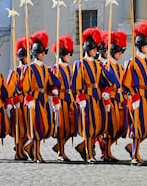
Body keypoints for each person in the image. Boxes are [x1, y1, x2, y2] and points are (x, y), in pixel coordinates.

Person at [72, 27, 116, 164]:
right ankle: (90, 153)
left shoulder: (98, 64)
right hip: (88, 97)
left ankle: (85, 148)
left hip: (97, 97)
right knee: (89, 127)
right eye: (94, 49)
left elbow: (111, 80)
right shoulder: (80, 64)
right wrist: (80, 97)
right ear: (88, 49)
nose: (96, 51)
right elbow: (76, 82)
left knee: (99, 126)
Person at [122, 20, 147, 166]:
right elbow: (126, 84)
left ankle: (134, 150)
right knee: (137, 127)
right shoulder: (132, 62)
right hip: (137, 97)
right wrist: (134, 96)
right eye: (145, 45)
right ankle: (135, 155)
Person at [21, 30, 59, 163]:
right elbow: (23, 87)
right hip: (34, 100)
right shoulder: (30, 69)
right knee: (36, 127)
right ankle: (37, 154)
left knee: (45, 127)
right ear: (37, 54)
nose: (44, 54)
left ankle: (29, 147)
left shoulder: (45, 69)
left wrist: (54, 89)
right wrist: (29, 99)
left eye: (44, 52)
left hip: (43, 100)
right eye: (42, 52)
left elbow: (53, 82)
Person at [100, 29, 128, 162]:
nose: (120, 54)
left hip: (120, 99)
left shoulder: (120, 67)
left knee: (122, 127)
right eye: (118, 52)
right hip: (109, 99)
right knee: (109, 127)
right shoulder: (105, 66)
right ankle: (106, 152)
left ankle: (107, 149)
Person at [50, 34, 78, 162]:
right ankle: (60, 152)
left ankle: (58, 147)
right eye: (67, 54)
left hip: (70, 98)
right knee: (61, 127)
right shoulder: (55, 69)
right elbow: (52, 86)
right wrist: (55, 100)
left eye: (70, 54)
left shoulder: (71, 69)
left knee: (72, 127)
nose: (69, 56)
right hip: (61, 99)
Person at [6, 37, 29, 160]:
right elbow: (9, 90)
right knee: (19, 130)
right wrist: (13, 101)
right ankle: (18, 152)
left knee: (28, 129)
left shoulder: (29, 71)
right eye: (26, 56)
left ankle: (20, 148)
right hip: (18, 104)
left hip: (27, 102)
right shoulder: (15, 72)